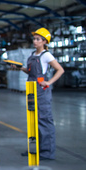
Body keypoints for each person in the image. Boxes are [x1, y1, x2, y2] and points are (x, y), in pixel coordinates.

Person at [19, 28, 64, 160]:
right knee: (33, 121)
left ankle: (47, 153)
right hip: (32, 91)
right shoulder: (33, 54)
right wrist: (20, 68)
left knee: (44, 121)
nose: (35, 41)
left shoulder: (46, 55)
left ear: (45, 41)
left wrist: (49, 82)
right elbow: (31, 72)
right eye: (34, 39)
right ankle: (34, 150)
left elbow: (60, 70)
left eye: (38, 39)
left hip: (41, 93)